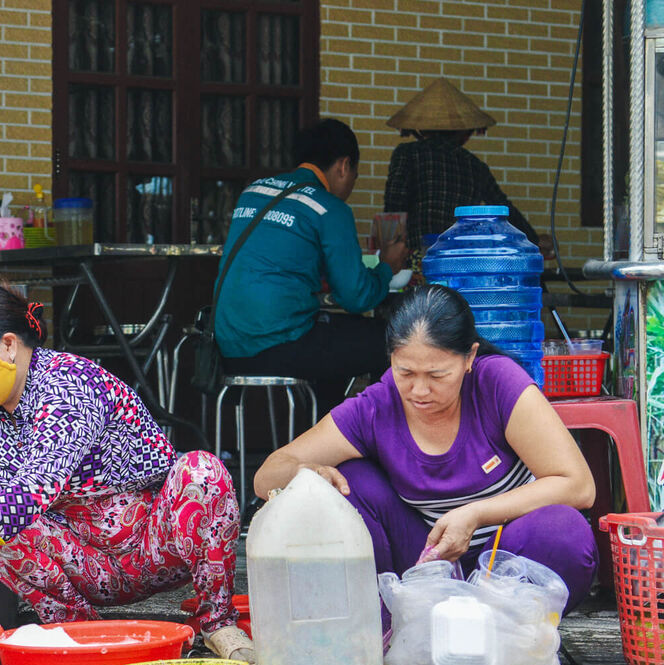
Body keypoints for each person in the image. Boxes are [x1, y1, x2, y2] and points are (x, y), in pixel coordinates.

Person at [0, 283, 253, 662]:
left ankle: (217, 622)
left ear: (8, 345)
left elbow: (33, 488)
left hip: (153, 546)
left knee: (202, 471)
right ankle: (76, 633)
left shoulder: (69, 384)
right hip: (81, 562)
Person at [253, 285, 597, 613]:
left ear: (469, 357)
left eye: (436, 375)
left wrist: (475, 514)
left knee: (561, 530)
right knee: (349, 480)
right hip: (424, 566)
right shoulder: (376, 406)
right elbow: (267, 475)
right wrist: (308, 474)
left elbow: (578, 485)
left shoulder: (497, 384)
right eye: (405, 372)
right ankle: (390, 620)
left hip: (507, 565)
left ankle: (505, 631)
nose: (419, 390)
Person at [214, 118, 409, 414]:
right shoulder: (329, 208)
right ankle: (374, 435)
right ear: (343, 165)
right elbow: (356, 297)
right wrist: (387, 267)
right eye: (354, 175)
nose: (351, 184)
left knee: (335, 341)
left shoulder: (252, 192)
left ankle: (320, 429)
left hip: (228, 345)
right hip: (277, 345)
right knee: (391, 340)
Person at [383, 78, 556, 260]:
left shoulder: (408, 153)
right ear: (464, 133)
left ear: (421, 129)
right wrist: (533, 240)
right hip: (458, 257)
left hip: (416, 256)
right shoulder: (475, 166)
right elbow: (503, 208)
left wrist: (388, 253)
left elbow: (394, 207)